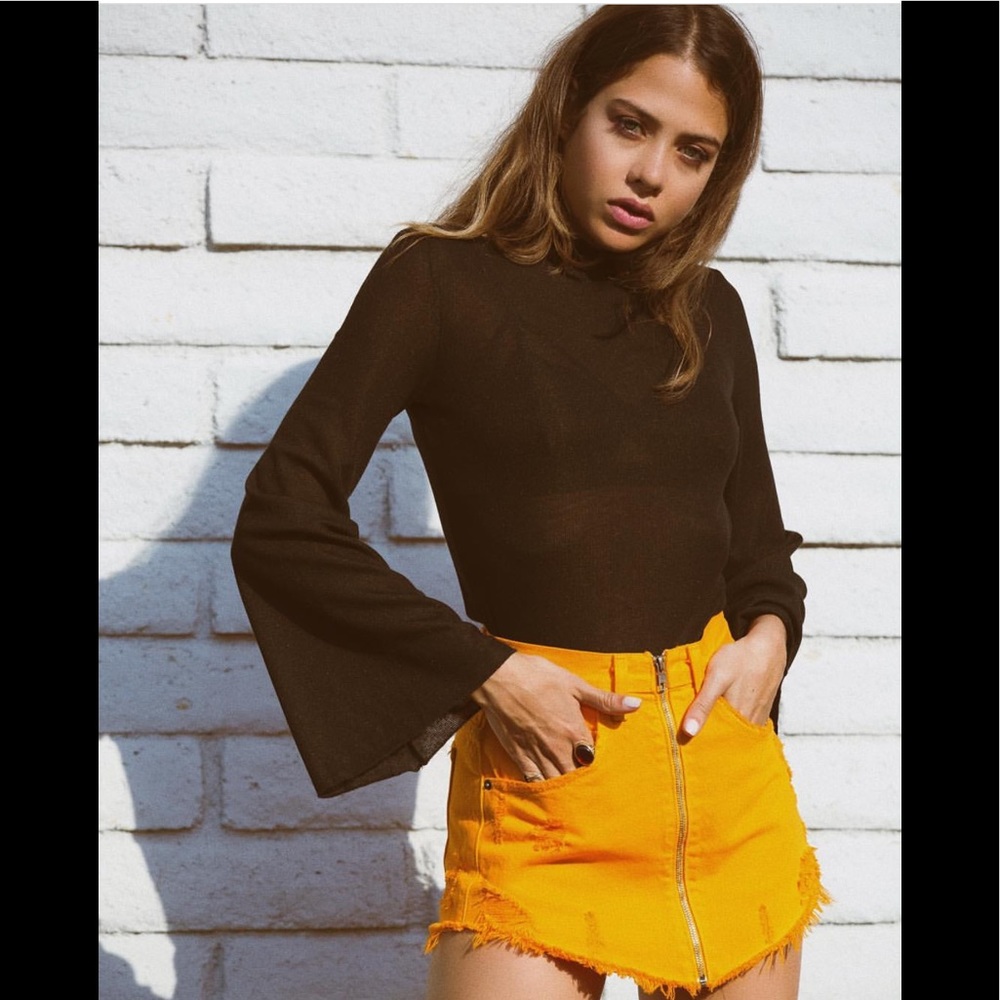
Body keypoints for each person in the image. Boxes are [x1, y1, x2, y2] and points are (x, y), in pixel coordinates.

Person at [231, 5, 828, 998]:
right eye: (628, 125)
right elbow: (283, 518)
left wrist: (768, 637)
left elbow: (757, 548)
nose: (651, 174)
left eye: (692, 152)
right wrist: (490, 672)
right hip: (549, 778)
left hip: (729, 784)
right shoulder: (438, 279)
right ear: (566, 111)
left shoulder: (710, 311)